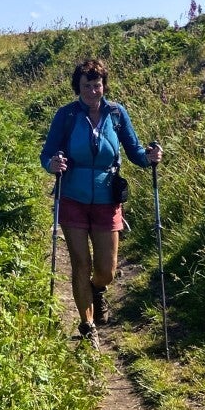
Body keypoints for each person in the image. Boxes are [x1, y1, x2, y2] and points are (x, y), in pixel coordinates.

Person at [39, 58, 163, 340]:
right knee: (80, 263)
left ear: (104, 85)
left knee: (106, 270)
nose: (93, 91)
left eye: (97, 85)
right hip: (72, 198)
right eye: (87, 86)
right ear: (78, 87)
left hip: (107, 199)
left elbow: (135, 151)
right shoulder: (66, 115)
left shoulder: (117, 114)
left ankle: (98, 289)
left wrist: (150, 157)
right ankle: (87, 326)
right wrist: (52, 165)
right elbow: (47, 154)